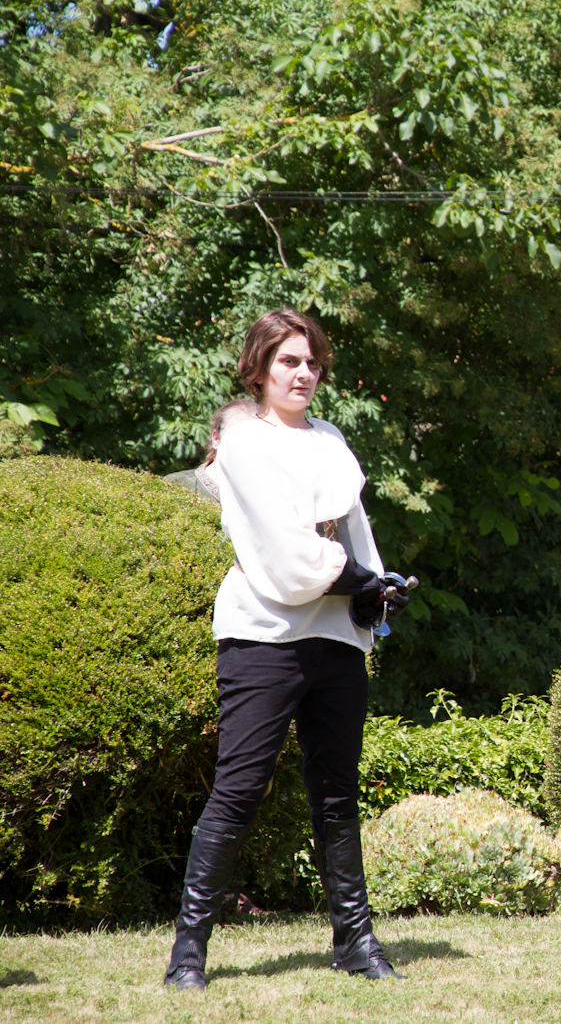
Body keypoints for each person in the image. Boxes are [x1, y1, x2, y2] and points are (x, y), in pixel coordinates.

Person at [164, 308, 411, 990]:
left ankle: (355, 943)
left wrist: (380, 589)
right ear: (259, 369)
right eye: (289, 362)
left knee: (337, 793)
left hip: (335, 638)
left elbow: (354, 534)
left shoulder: (330, 438)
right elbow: (288, 554)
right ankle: (188, 954)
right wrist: (358, 579)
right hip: (264, 637)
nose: (304, 373)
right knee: (239, 789)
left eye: (312, 362)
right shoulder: (245, 444)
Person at [164, 397, 259, 502]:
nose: (244, 445)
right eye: (235, 436)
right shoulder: (176, 486)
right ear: (216, 438)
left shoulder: (264, 497)